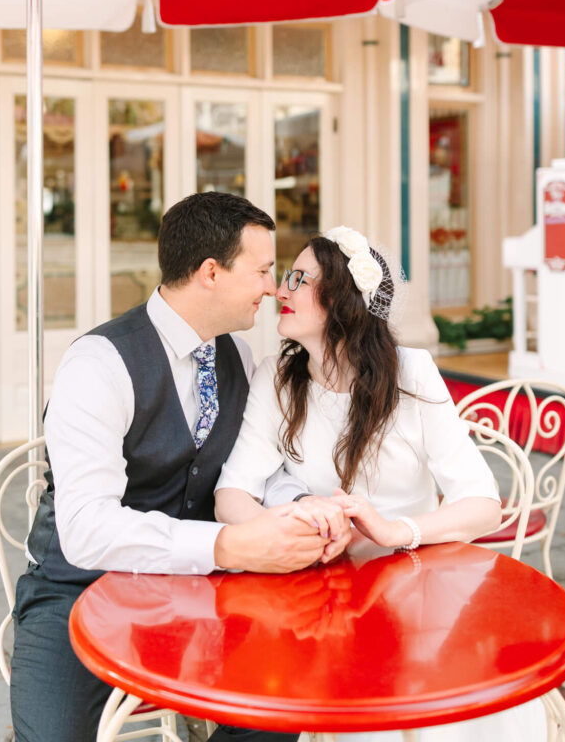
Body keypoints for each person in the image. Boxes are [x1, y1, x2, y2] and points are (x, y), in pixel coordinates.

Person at [10, 193, 350, 742]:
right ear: (211, 272)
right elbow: (85, 531)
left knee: (281, 706)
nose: (272, 287)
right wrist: (228, 546)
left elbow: (253, 470)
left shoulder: (235, 356)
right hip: (77, 589)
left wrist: (298, 507)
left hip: (197, 587)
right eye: (263, 270)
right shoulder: (98, 364)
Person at [214, 226, 547, 742]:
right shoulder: (276, 380)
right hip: (315, 592)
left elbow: (483, 505)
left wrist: (396, 530)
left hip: (415, 586)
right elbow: (231, 494)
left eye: (299, 279)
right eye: (285, 277)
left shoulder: (412, 373)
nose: (281, 290)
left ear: (344, 301)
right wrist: (285, 527)